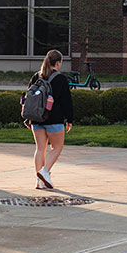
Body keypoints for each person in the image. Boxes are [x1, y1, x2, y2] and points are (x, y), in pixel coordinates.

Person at [27, 49, 74, 189]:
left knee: (40, 148)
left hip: (36, 118)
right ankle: (44, 172)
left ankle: (39, 182)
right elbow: (66, 101)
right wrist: (69, 119)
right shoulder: (60, 79)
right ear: (58, 63)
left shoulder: (36, 77)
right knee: (57, 147)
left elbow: (29, 98)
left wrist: (28, 118)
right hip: (54, 119)